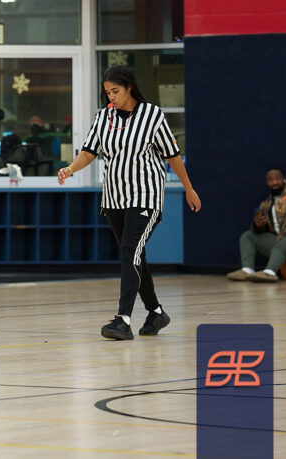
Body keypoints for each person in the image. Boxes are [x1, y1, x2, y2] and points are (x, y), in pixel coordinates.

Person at [57, 64, 201, 340]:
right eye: (107, 92)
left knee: (129, 250)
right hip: (114, 197)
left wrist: (188, 188)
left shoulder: (152, 115)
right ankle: (156, 312)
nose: (111, 96)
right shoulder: (103, 117)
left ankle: (123, 320)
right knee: (135, 256)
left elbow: (172, 155)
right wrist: (70, 169)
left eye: (116, 91)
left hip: (146, 195)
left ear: (129, 88)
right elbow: (89, 152)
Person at [226, 167, 286, 282]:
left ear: (284, 178)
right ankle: (247, 270)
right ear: (267, 182)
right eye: (270, 180)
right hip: (281, 241)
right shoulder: (265, 204)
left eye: (277, 178)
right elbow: (267, 229)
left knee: (281, 245)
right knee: (247, 236)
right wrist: (258, 226)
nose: (274, 182)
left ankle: (269, 272)